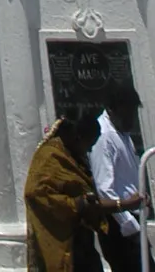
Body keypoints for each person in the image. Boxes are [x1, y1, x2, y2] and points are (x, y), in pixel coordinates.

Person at [25, 108, 118, 272]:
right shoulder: (50, 157)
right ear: (78, 137)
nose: (89, 151)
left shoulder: (74, 157)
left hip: (82, 241)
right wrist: (76, 204)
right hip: (62, 244)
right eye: (89, 145)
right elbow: (34, 193)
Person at [90, 94, 145, 272]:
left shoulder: (122, 132)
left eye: (134, 114)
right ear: (111, 111)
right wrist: (129, 225)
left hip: (133, 216)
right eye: (127, 115)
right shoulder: (104, 137)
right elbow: (104, 189)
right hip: (119, 222)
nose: (132, 120)